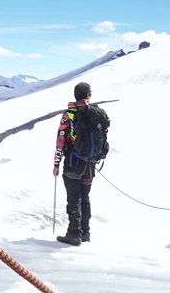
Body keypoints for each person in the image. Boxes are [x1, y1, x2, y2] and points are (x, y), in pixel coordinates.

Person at [52, 82, 109, 246]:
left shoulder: (69, 114)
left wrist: (56, 163)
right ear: (88, 95)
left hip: (73, 162)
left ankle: (73, 234)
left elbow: (61, 140)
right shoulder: (98, 114)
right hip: (91, 163)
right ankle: (85, 233)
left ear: (75, 95)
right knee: (85, 198)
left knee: (73, 199)